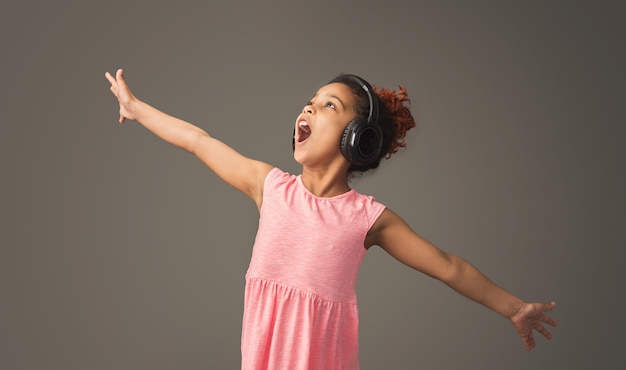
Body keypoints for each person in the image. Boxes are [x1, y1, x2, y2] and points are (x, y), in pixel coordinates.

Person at [104, 69, 557, 370]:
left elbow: (448, 266)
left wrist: (514, 308)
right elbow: (198, 141)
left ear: (357, 139)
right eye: (310, 102)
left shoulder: (368, 219)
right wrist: (136, 107)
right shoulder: (271, 187)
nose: (308, 110)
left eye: (328, 107)